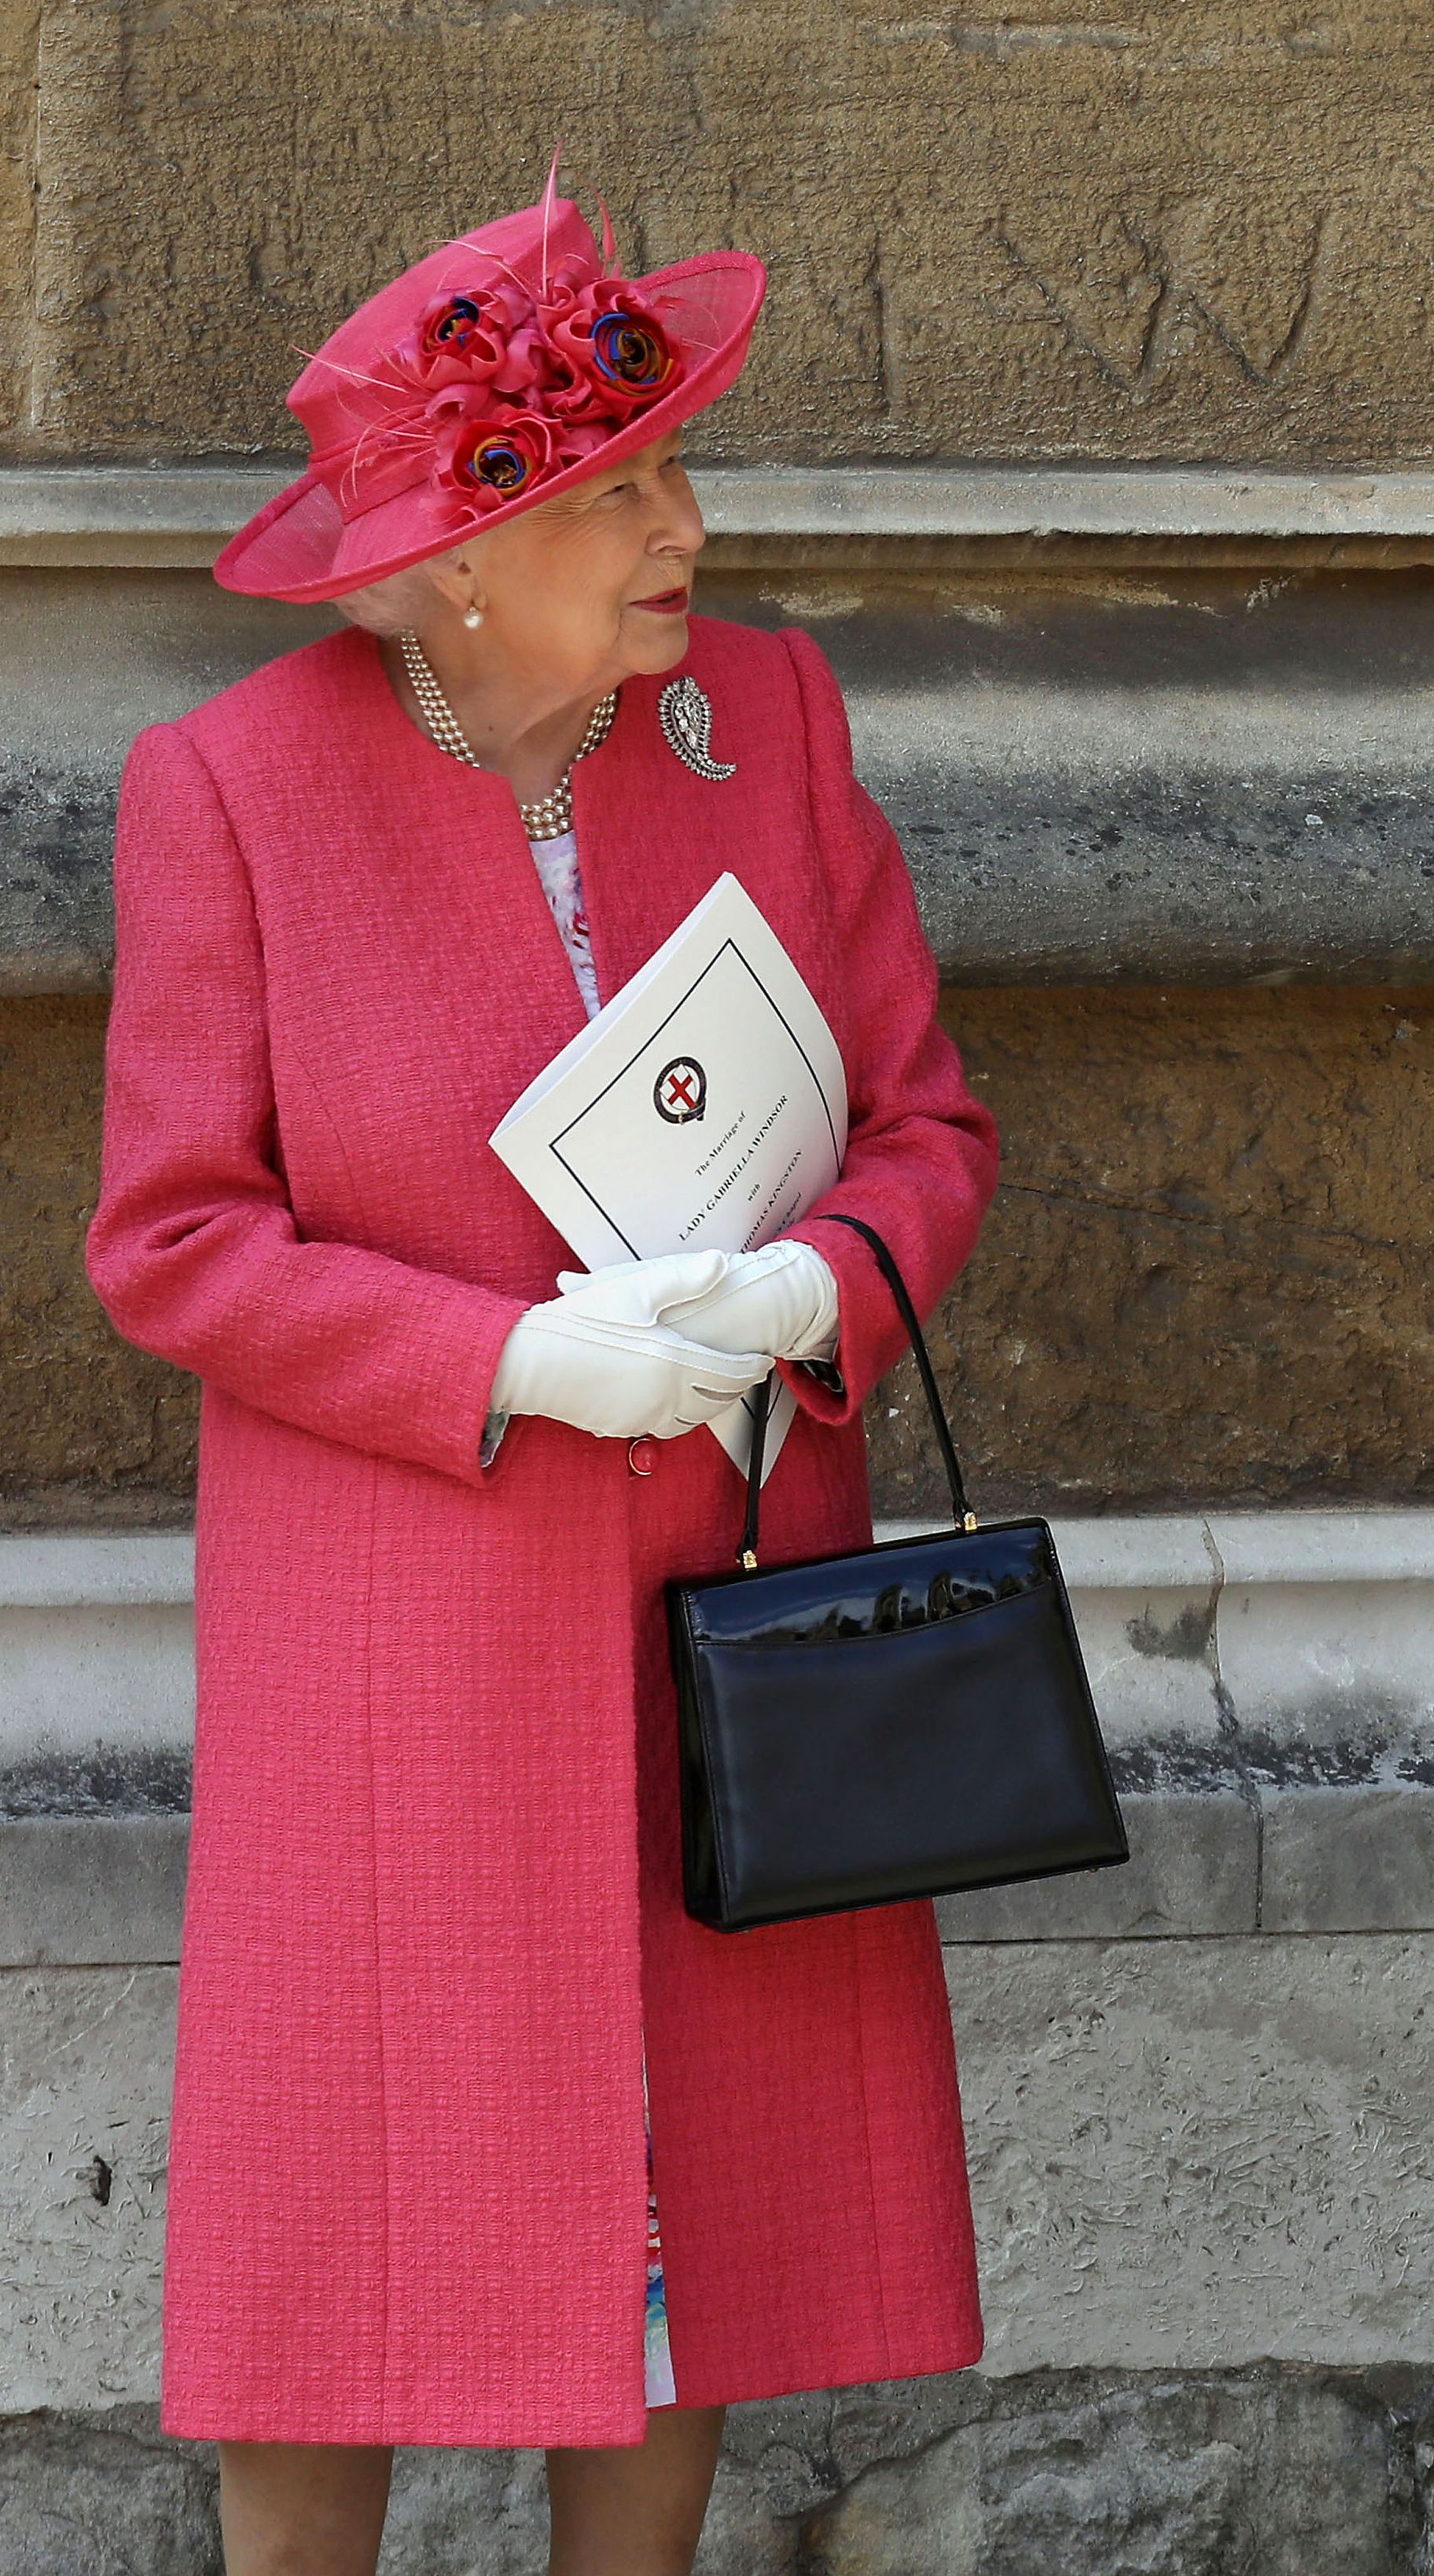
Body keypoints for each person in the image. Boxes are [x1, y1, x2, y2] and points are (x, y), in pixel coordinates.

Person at [87, 189, 998, 2576]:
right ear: (468, 555)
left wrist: (820, 1296)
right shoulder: (230, 788)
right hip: (396, 1623)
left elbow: (926, 1125)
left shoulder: (764, 720)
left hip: (719, 1597)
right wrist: (504, 1351)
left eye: (674, 472)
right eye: (617, 492)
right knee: (344, 2250)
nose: (686, 527)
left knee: (687, 2217)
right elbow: (170, 1238)